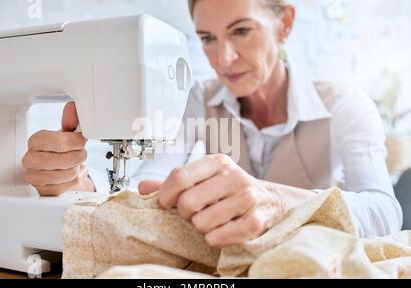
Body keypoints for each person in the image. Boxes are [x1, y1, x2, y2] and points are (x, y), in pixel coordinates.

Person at [22, 0, 402, 248]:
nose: (224, 57)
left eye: (241, 31)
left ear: (284, 23)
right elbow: (152, 176)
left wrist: (281, 201)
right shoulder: (198, 100)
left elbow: (384, 210)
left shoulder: (347, 106)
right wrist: (81, 182)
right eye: (207, 38)